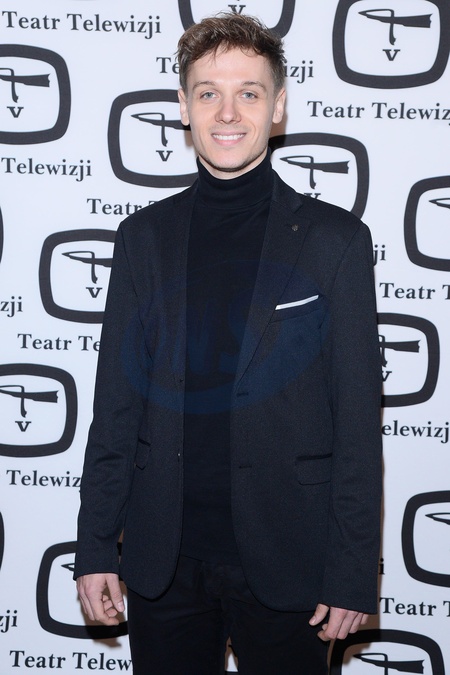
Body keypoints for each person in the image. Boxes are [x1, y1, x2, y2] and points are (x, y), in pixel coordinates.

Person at [75, 13, 382, 674]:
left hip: (289, 558)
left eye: (249, 91)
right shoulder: (142, 238)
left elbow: (358, 422)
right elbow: (116, 408)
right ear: (184, 107)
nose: (228, 112)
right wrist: (96, 545)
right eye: (209, 92)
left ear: (279, 105)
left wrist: (353, 572)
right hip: (163, 561)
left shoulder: (336, 241)